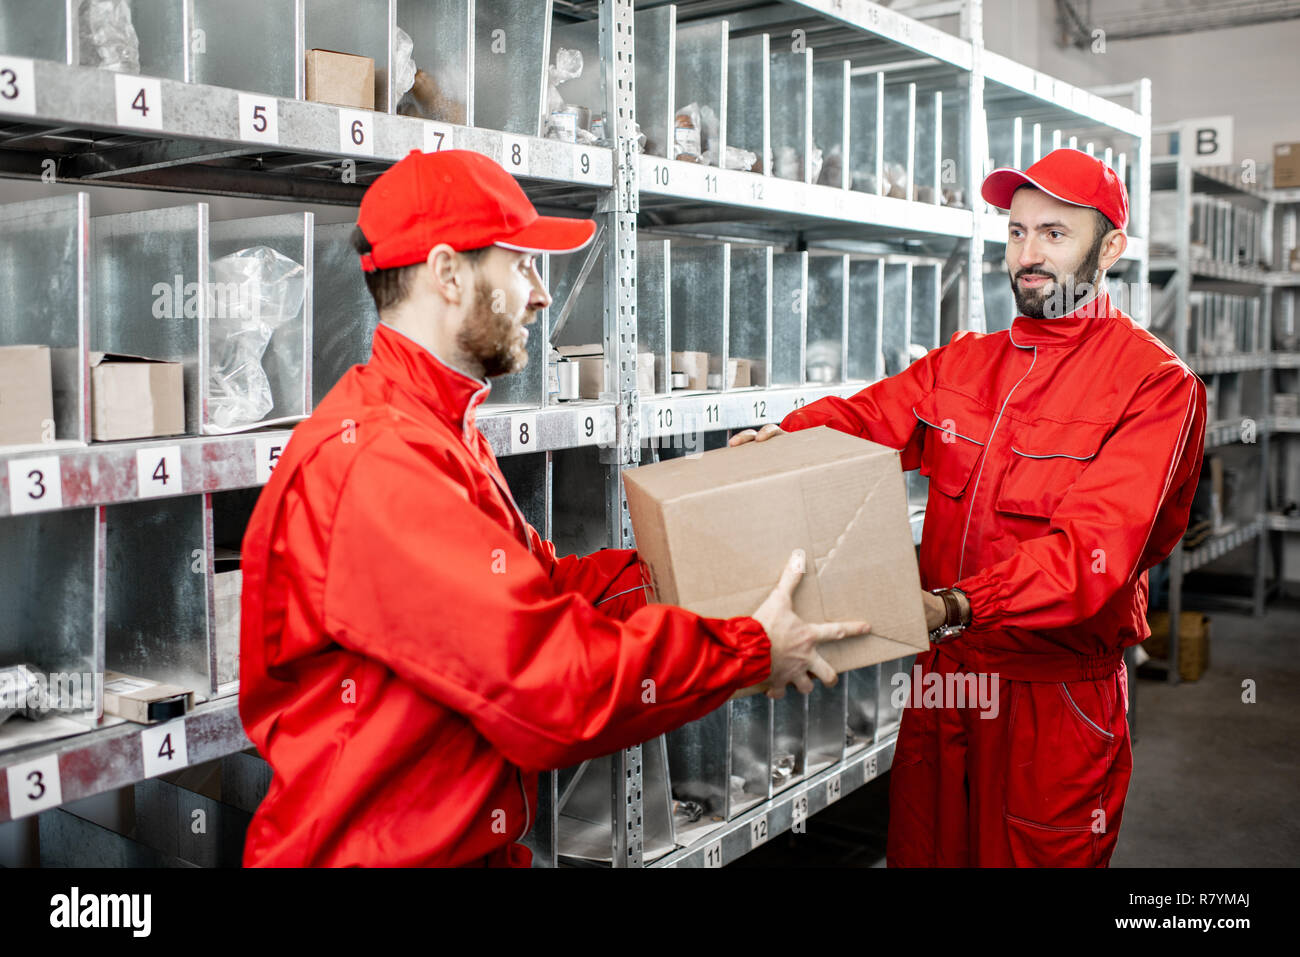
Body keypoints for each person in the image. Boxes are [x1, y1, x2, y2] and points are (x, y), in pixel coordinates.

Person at [237, 149, 869, 867]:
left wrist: (697, 553)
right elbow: (544, 683)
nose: (541, 294)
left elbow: (540, 596)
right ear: (448, 274)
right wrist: (744, 651)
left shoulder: (436, 429)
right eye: (522, 264)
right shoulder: (381, 460)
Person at [731, 148, 1207, 867]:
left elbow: (1089, 556)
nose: (1029, 254)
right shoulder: (967, 362)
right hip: (949, 684)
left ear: (1110, 247)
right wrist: (784, 440)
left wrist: (954, 604)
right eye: (1016, 233)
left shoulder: (1154, 386)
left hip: (1053, 705)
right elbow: (871, 418)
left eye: (1054, 233)